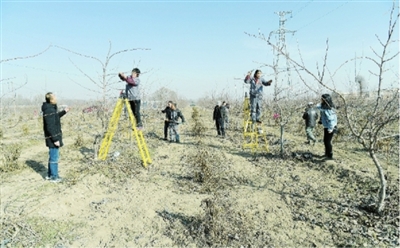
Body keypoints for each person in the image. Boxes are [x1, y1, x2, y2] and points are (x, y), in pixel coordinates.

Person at [42, 92, 70, 183]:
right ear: (51, 99)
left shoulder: (50, 109)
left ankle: (50, 175)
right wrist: (55, 139)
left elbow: (56, 117)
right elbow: (50, 126)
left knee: (52, 156)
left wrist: (64, 111)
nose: (56, 98)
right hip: (52, 137)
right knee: (54, 157)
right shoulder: (49, 110)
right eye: (55, 97)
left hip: (52, 137)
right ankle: (54, 177)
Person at [317, 94, 338, 160]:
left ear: (325, 100)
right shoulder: (324, 107)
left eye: (322, 99)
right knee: (325, 140)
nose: (321, 100)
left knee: (327, 141)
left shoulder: (329, 109)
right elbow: (318, 106)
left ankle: (330, 156)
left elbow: (331, 120)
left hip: (330, 127)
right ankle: (327, 154)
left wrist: (330, 128)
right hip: (327, 126)